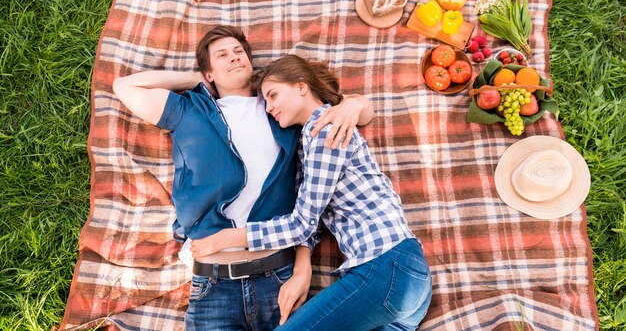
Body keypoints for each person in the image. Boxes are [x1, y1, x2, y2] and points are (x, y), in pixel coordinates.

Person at [112, 25, 374, 331]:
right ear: (209, 72)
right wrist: (194, 80)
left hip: (278, 276)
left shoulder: (279, 109)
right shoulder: (189, 110)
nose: (234, 58)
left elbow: (309, 198)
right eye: (222, 55)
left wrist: (353, 106)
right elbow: (124, 87)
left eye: (239, 52)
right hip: (212, 284)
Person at [191, 54, 432, 330]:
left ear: (301, 86)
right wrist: (302, 265)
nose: (269, 107)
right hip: (406, 280)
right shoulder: (310, 142)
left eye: (273, 95)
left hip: (385, 266)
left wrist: (226, 238)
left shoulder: (325, 131)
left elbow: (301, 224)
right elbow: (312, 221)